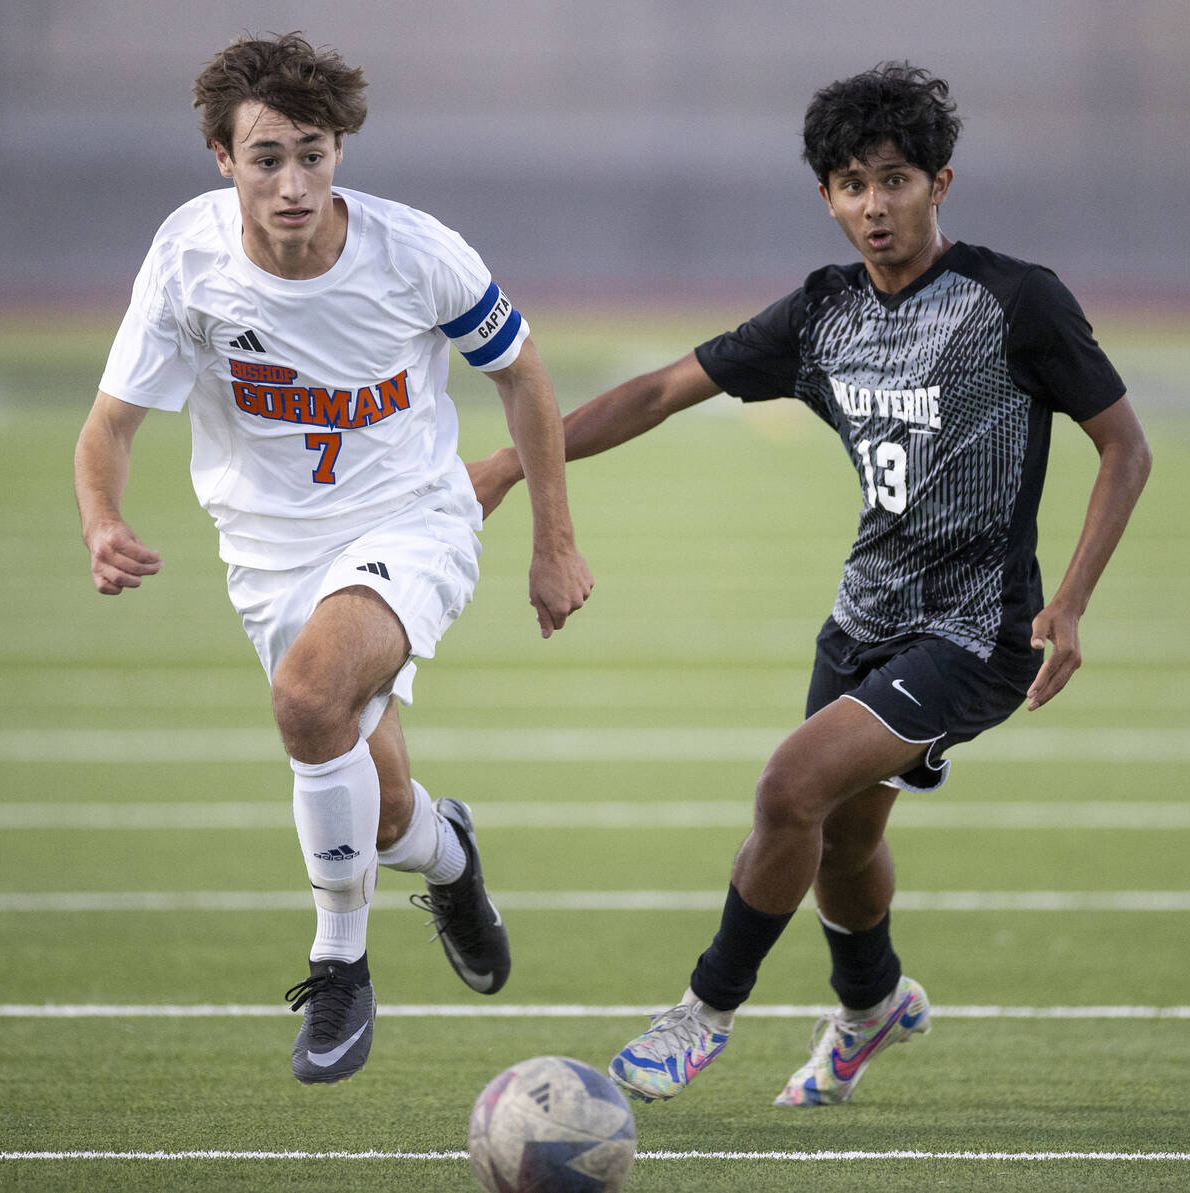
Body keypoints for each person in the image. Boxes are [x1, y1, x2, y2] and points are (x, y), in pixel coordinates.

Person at [468, 62, 1151, 1107]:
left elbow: (1125, 446)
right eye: (849, 184)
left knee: (789, 785)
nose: (873, 206)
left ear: (940, 182)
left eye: (894, 179)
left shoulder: (1017, 301)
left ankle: (705, 1009)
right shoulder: (821, 313)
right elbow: (659, 389)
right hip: (861, 619)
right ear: (825, 197)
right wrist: (517, 462)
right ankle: (874, 1003)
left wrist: (1075, 597)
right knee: (841, 836)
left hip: (973, 635)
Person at [74, 32, 593, 1086]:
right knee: (385, 806)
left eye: (313, 152)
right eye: (267, 158)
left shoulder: (416, 253)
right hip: (268, 556)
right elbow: (110, 426)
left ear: (341, 147)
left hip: (413, 521)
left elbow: (526, 377)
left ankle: (340, 966)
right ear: (224, 160)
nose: (294, 181)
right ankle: (450, 858)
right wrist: (100, 519)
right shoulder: (189, 258)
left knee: (308, 698)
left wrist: (554, 543)